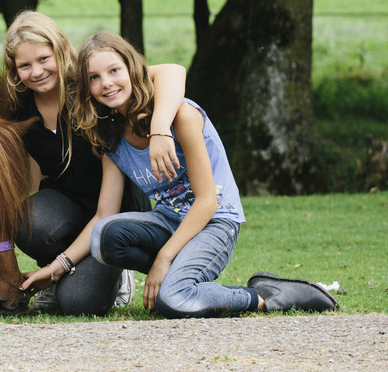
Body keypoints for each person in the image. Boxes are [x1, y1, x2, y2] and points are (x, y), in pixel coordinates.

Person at [19, 30, 338, 318]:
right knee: (106, 235)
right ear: (86, 87)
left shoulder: (180, 116)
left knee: (173, 301)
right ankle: (177, 279)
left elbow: (207, 201)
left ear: (133, 70)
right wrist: (57, 267)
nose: (107, 83)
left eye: (115, 71)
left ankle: (268, 295)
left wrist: (163, 259)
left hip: (214, 222)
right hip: (168, 221)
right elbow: (104, 214)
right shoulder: (111, 137)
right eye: (94, 77)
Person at [0, 11, 185, 315]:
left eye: (43, 59)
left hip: (114, 215)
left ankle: (116, 273)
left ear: (63, 49)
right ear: (14, 69)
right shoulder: (16, 106)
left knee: (79, 304)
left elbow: (172, 71)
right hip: (65, 209)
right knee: (24, 220)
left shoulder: (90, 87)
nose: (36, 71)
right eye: (24, 65)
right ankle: (59, 269)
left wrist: (160, 130)